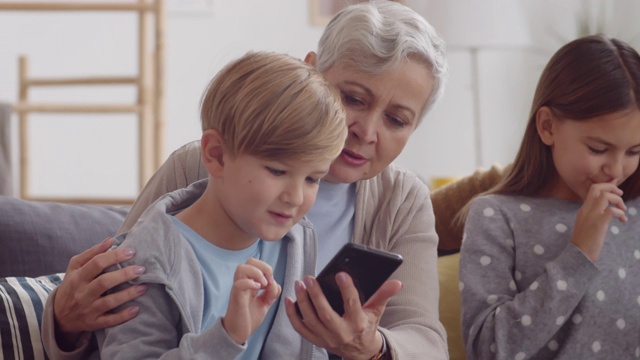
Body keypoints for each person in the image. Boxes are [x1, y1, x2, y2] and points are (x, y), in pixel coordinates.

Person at [42, 2, 451, 359]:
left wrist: (371, 348)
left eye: (397, 120)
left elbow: (425, 340)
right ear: (308, 73)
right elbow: (123, 308)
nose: (366, 130)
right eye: (352, 99)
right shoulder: (195, 167)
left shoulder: (402, 199)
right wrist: (63, 318)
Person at [95, 50, 347, 358]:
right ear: (216, 155)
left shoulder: (294, 242)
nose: (295, 197)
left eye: (312, 179)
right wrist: (227, 337)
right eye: (278, 171)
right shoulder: (146, 258)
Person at [459, 34, 640, 360]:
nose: (616, 169)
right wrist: (579, 255)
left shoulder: (634, 212)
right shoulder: (496, 216)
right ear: (547, 126)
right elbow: (488, 350)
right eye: (598, 149)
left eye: (634, 151)